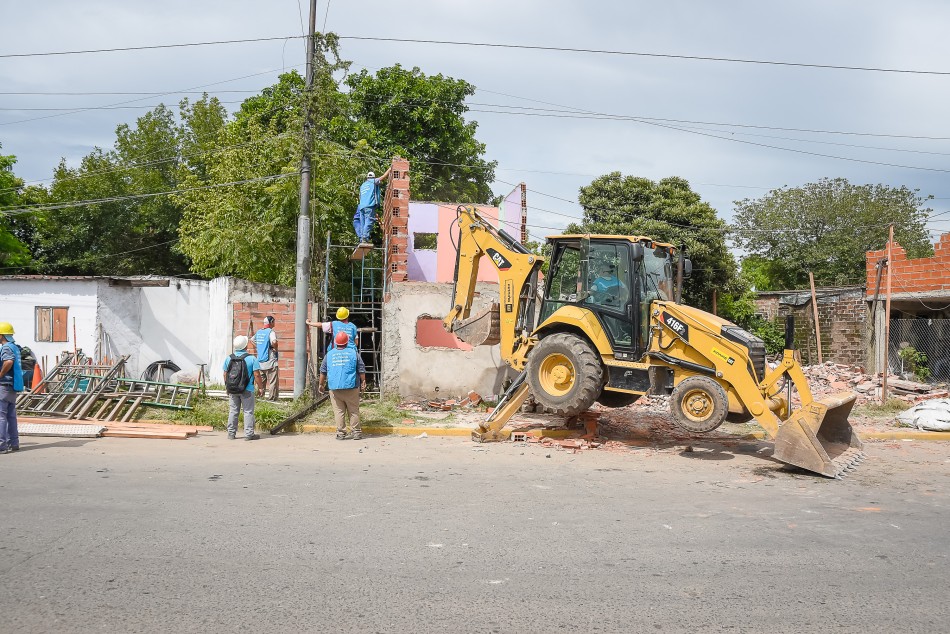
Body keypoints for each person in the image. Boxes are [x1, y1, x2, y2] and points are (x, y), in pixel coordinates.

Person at [320, 331, 366, 440]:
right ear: (347, 342)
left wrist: (321, 384)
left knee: (339, 411)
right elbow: (361, 369)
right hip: (351, 386)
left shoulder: (329, 354)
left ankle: (341, 433)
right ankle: (356, 432)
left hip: (335, 388)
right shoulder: (353, 353)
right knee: (353, 410)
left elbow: (323, 371)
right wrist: (363, 381)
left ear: (335, 342)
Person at [222, 335, 262, 441]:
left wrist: (228, 387)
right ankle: (249, 434)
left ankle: (231, 434)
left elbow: (225, 374)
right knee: (248, 411)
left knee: (233, 411)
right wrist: (261, 388)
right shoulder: (252, 358)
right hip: (247, 389)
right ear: (245, 345)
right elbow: (257, 375)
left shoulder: (229, 358)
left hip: (233, 389)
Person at [0, 322, 23, 454]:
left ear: (1, 335)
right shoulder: (14, 347)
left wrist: (1, 374)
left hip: (4, 385)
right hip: (12, 386)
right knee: (11, 416)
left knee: (1, 416)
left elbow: (8, 361)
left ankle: (1, 445)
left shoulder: (6, 348)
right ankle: (13, 443)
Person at [353, 166, 392, 245]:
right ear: (373, 177)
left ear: (367, 178)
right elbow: (383, 177)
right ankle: (365, 237)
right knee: (369, 221)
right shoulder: (373, 181)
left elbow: (360, 196)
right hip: (369, 205)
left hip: (361, 207)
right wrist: (390, 168)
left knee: (363, 224)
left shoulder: (363, 185)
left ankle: (363, 240)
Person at [253, 316, 279, 401]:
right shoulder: (271, 332)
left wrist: (259, 347)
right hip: (270, 361)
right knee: (272, 381)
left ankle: (259, 398)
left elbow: (252, 340)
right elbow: (274, 341)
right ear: (271, 322)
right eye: (274, 321)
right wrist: (275, 348)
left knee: (261, 381)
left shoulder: (259, 332)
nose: (274, 323)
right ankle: (272, 399)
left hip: (260, 361)